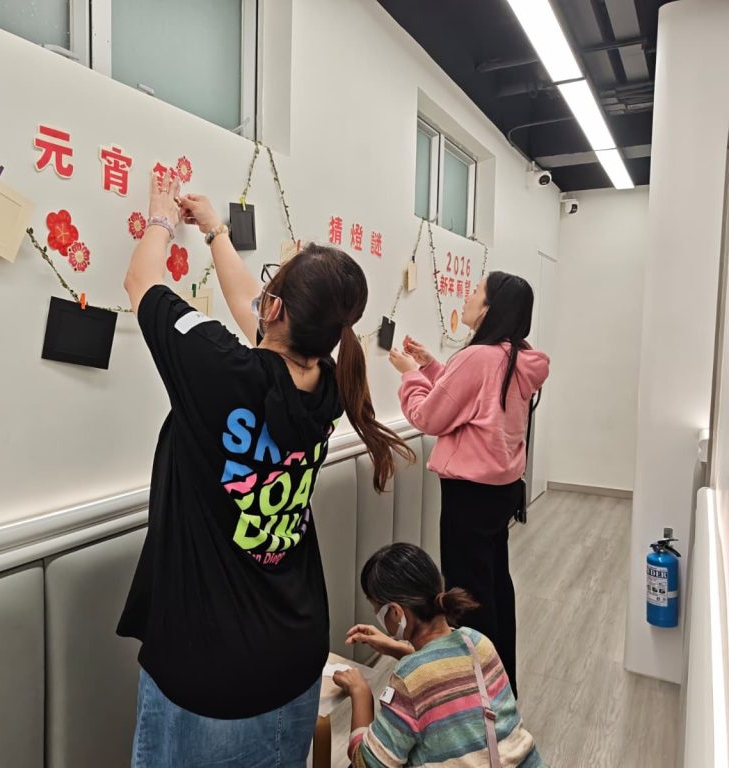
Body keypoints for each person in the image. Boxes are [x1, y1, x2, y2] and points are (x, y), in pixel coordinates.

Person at [118, 170, 414, 767]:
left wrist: (160, 218)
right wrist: (215, 231)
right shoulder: (329, 384)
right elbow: (251, 307)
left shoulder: (221, 369)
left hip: (209, 671)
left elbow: (141, 282)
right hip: (293, 653)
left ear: (276, 308)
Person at [387, 272, 548, 698]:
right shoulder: (518, 359)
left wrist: (410, 375)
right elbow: (478, 399)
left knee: (467, 599)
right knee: (495, 587)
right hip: (501, 493)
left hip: (469, 497)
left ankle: (477, 698)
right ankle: (501, 688)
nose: (469, 295)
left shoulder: (477, 357)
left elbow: (428, 417)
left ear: (492, 307)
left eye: (477, 290)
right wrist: (431, 367)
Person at [333, 543, 543, 767]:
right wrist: (394, 648)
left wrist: (360, 692)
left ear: (395, 612)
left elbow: (367, 763)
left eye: (376, 608)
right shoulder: (476, 641)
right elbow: (443, 670)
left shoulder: (409, 678)